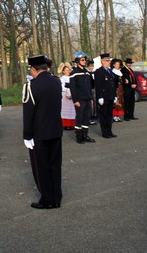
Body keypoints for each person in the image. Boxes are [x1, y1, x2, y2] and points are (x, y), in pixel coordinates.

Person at [22, 54, 63, 210]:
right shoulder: (56, 82)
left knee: (41, 168)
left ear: (33, 69)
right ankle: (56, 198)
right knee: (55, 165)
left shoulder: (31, 86)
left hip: (39, 133)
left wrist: (27, 135)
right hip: (55, 130)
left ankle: (47, 200)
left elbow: (28, 113)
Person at [68, 52, 96, 144]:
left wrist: (91, 99)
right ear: (77, 61)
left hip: (87, 98)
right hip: (79, 100)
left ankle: (85, 135)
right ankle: (79, 136)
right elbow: (72, 88)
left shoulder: (87, 72)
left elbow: (89, 87)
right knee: (79, 117)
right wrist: (75, 100)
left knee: (87, 117)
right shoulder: (73, 73)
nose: (84, 61)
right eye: (82, 60)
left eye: (85, 60)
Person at [93, 53, 118, 139]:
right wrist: (100, 97)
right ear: (102, 61)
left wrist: (115, 95)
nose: (108, 62)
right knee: (103, 115)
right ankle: (105, 132)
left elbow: (113, 85)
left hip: (110, 96)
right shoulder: (99, 72)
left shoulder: (110, 71)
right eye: (107, 61)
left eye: (109, 61)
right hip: (103, 97)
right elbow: (98, 85)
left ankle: (109, 131)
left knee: (109, 115)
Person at [58, 63, 76, 130]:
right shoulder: (62, 79)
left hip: (72, 96)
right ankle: (66, 124)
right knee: (65, 110)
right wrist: (68, 91)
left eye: (68, 70)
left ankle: (72, 124)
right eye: (66, 70)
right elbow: (61, 87)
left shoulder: (72, 78)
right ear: (63, 71)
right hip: (65, 96)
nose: (67, 71)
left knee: (72, 110)